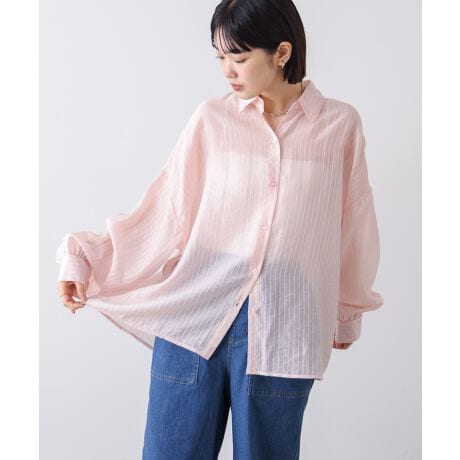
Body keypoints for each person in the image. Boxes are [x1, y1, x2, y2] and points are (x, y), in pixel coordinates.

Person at [56, 0, 384, 458]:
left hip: (286, 324)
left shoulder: (339, 125)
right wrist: (84, 259)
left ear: (282, 52)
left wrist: (347, 312)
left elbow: (352, 223)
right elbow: (167, 209)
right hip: (195, 317)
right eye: (220, 56)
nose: (227, 70)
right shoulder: (212, 120)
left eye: (240, 57)